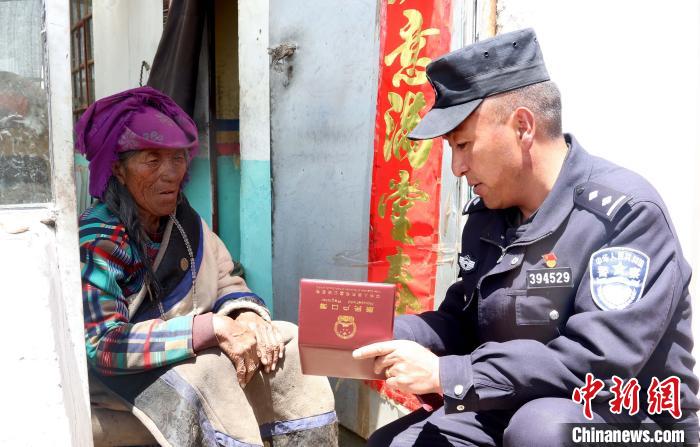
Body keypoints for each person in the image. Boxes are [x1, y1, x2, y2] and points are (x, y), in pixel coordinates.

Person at [353, 28, 700, 446]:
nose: (457, 168)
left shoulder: (625, 215)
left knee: (542, 430)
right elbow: (462, 323)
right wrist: (380, 335)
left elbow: (598, 361)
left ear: (522, 126)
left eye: (463, 145)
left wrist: (447, 374)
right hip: (513, 403)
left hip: (626, 416)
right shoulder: (490, 217)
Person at [76, 86, 337, 446]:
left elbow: (226, 280)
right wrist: (210, 327)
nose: (171, 173)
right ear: (118, 170)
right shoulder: (98, 239)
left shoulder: (185, 222)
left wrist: (246, 315)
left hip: (187, 342)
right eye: (152, 160)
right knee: (210, 371)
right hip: (123, 371)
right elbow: (103, 343)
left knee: (288, 344)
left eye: (178, 158)